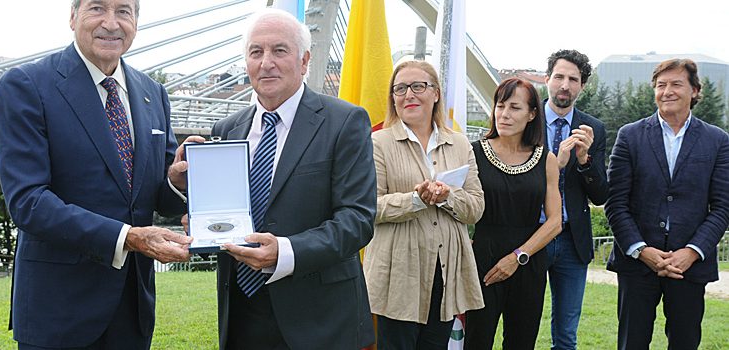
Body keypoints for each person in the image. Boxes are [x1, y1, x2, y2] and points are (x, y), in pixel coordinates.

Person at [0, 0, 194, 348]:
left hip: (132, 312)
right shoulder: (26, 86)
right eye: (97, 8)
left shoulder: (153, 94)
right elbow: (28, 203)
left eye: (124, 11)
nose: (111, 23)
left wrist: (176, 182)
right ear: (72, 17)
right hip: (58, 312)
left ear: (136, 22)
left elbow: (156, 197)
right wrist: (127, 237)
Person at [179, 9, 376, 349]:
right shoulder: (226, 130)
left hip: (319, 320)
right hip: (242, 316)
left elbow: (357, 220)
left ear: (304, 62)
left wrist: (284, 252)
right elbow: (224, 212)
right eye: (256, 52)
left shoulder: (345, 122)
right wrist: (197, 217)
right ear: (246, 62)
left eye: (279, 50)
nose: (266, 62)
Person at [605, 58, 729, 349]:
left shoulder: (717, 140)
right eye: (661, 85)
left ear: (695, 91)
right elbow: (616, 203)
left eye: (676, 84)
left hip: (689, 266)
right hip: (637, 264)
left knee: (685, 342)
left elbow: (723, 207)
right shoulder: (630, 136)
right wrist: (641, 250)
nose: (667, 91)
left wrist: (691, 251)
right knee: (631, 343)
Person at [362, 60, 485, 349]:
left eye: (418, 86)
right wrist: (416, 199)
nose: (409, 95)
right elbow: (368, 206)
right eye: (400, 88)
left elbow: (476, 207)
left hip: (446, 271)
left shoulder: (460, 144)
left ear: (436, 94)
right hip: (398, 273)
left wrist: (447, 197)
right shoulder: (377, 142)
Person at [465, 78, 562, 349]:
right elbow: (456, 204)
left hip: (528, 260)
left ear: (532, 114)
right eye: (500, 105)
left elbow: (555, 222)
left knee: (522, 341)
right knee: (476, 339)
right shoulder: (471, 153)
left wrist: (518, 256)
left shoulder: (546, 159)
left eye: (515, 107)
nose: (504, 114)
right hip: (482, 259)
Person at [541, 49, 608, 350]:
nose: (565, 85)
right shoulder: (525, 119)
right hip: (530, 235)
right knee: (521, 322)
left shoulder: (593, 129)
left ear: (582, 86)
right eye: (559, 77)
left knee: (567, 334)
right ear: (547, 79)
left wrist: (584, 160)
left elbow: (600, 195)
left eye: (573, 79)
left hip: (571, 239)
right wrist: (559, 160)